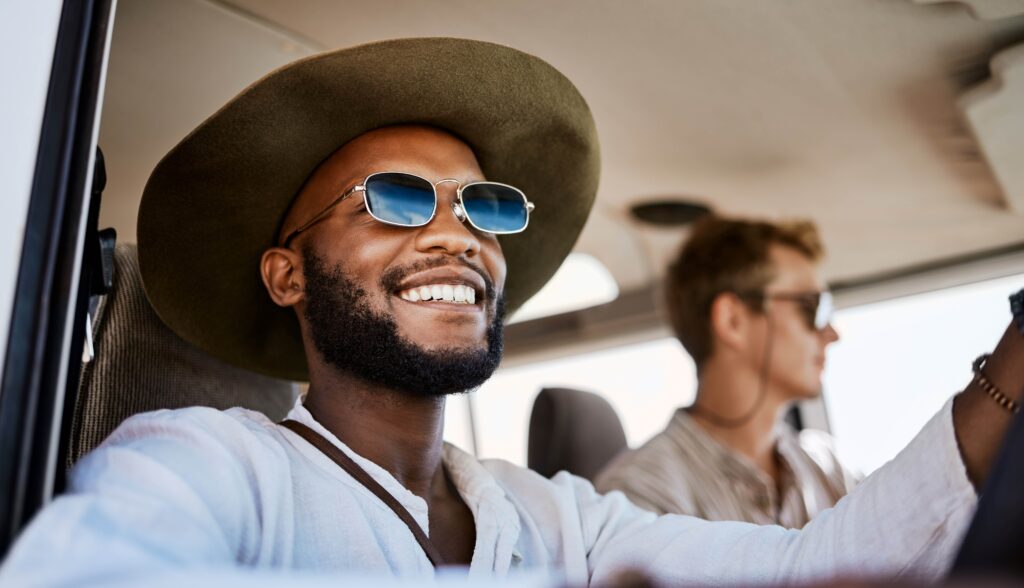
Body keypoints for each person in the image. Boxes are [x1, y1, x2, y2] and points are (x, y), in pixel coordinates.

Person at [2, 37, 1023, 587]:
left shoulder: (551, 517)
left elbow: (818, 563)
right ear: (286, 274)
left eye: (483, 206)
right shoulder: (206, 460)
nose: (456, 234)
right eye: (397, 199)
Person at [596, 217, 860, 527]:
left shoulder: (829, 469)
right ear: (733, 320)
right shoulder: (640, 499)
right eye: (811, 306)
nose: (832, 333)